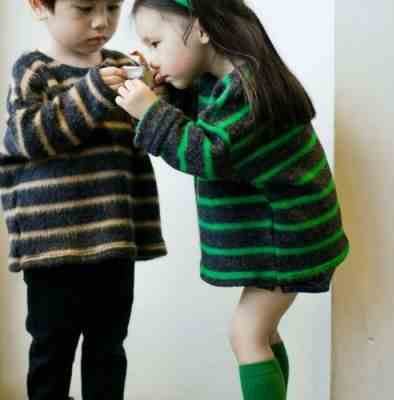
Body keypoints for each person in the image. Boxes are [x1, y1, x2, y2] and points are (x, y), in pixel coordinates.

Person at [115, 0, 350, 399]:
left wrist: (151, 112)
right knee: (261, 333)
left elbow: (207, 153)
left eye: (155, 43)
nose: (151, 57)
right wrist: (162, 96)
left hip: (287, 239)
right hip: (292, 234)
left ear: (202, 29)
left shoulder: (246, 88)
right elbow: (204, 126)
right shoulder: (227, 80)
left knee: (246, 335)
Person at [0, 1, 167, 399]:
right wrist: (93, 90)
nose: (101, 22)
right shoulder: (34, 70)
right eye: (84, 8)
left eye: (112, 7)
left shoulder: (124, 67)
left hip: (113, 242)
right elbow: (28, 138)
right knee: (51, 351)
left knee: (108, 350)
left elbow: (144, 141)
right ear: (39, 6)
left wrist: (157, 99)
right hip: (52, 249)